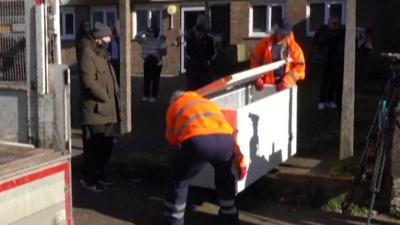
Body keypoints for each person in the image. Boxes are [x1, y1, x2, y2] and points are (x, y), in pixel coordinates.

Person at [164, 90, 247, 225]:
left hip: (198, 143)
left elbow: (171, 139)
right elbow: (228, 131)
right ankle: (229, 214)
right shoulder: (208, 103)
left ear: (173, 100)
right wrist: (240, 159)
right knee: (224, 176)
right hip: (225, 142)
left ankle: (174, 219)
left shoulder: (174, 106)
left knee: (180, 178)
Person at [79, 22, 121, 192]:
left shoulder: (103, 55)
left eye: (109, 36)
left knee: (106, 146)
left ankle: (101, 175)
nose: (109, 39)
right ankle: (89, 179)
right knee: (93, 148)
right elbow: (89, 82)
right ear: (97, 39)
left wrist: (114, 99)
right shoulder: (87, 55)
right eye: (106, 36)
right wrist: (106, 97)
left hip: (108, 110)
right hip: (95, 111)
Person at [250, 18, 305, 92]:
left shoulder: (294, 48)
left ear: (289, 33)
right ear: (277, 30)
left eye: (284, 34)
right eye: (280, 33)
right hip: (266, 87)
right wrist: (257, 78)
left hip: (285, 87)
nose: (281, 36)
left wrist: (286, 81)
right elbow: (255, 61)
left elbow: (300, 68)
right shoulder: (264, 44)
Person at [313, 17, 345, 110]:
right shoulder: (324, 32)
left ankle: (330, 100)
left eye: (337, 24)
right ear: (329, 23)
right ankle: (321, 101)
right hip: (325, 60)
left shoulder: (340, 32)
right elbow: (319, 43)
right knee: (324, 81)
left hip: (336, 60)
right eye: (334, 23)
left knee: (334, 81)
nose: (336, 26)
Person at [184, 14, 216, 90]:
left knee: (204, 87)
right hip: (194, 66)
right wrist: (191, 60)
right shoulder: (190, 39)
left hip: (204, 66)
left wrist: (209, 61)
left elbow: (212, 52)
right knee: (193, 86)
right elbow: (188, 51)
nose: (199, 34)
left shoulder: (208, 39)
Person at [136, 27, 164, 103]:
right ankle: (146, 95)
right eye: (148, 31)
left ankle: (153, 96)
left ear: (154, 33)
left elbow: (164, 51)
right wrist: (144, 31)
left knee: (155, 80)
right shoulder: (144, 40)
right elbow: (137, 37)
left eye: (150, 32)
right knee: (146, 79)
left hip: (156, 61)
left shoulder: (159, 40)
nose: (149, 33)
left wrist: (162, 44)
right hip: (147, 61)